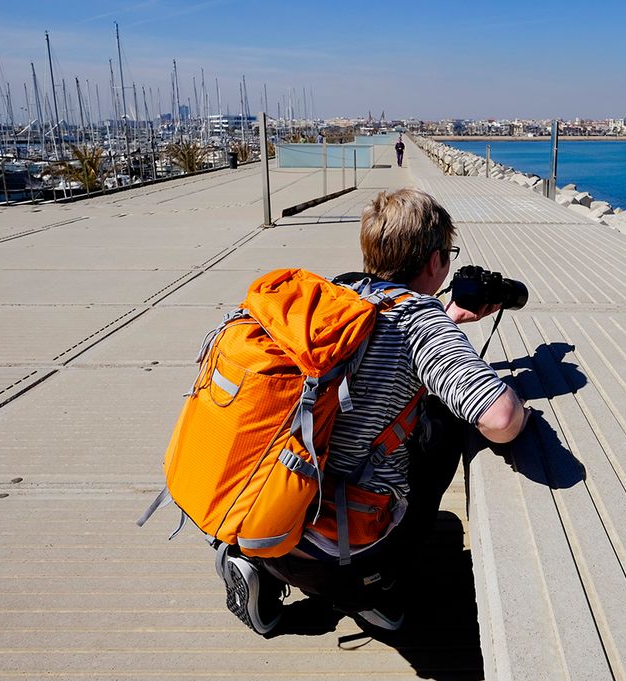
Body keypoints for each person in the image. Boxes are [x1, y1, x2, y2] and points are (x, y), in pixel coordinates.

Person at [218, 188, 529, 635]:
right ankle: (367, 588)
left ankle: (256, 567)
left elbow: (380, 329)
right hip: (334, 548)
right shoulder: (423, 324)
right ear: (435, 262)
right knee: (440, 427)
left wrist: (445, 317)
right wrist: (519, 402)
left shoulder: (331, 297)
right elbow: (500, 421)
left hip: (258, 510)